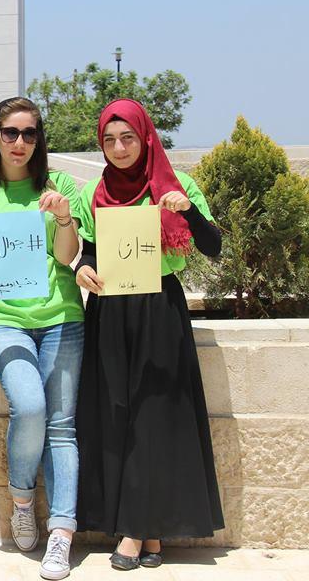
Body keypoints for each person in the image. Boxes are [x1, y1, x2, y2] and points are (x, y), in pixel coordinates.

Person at [74, 98, 224, 571]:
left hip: (159, 309)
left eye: (128, 138)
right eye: (109, 140)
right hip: (110, 311)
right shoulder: (93, 192)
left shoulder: (178, 186)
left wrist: (188, 211)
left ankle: (135, 532)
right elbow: (90, 252)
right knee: (118, 415)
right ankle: (151, 531)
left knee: (155, 417)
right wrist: (82, 269)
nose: (119, 149)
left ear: (146, 137)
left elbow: (214, 247)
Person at [0, 97, 84, 580]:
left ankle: (62, 533)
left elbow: (67, 257)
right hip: (4, 319)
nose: (20, 142)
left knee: (62, 426)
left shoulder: (59, 186)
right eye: (11, 132)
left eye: (30, 133)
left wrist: (65, 218)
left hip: (61, 317)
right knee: (29, 407)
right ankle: (23, 501)